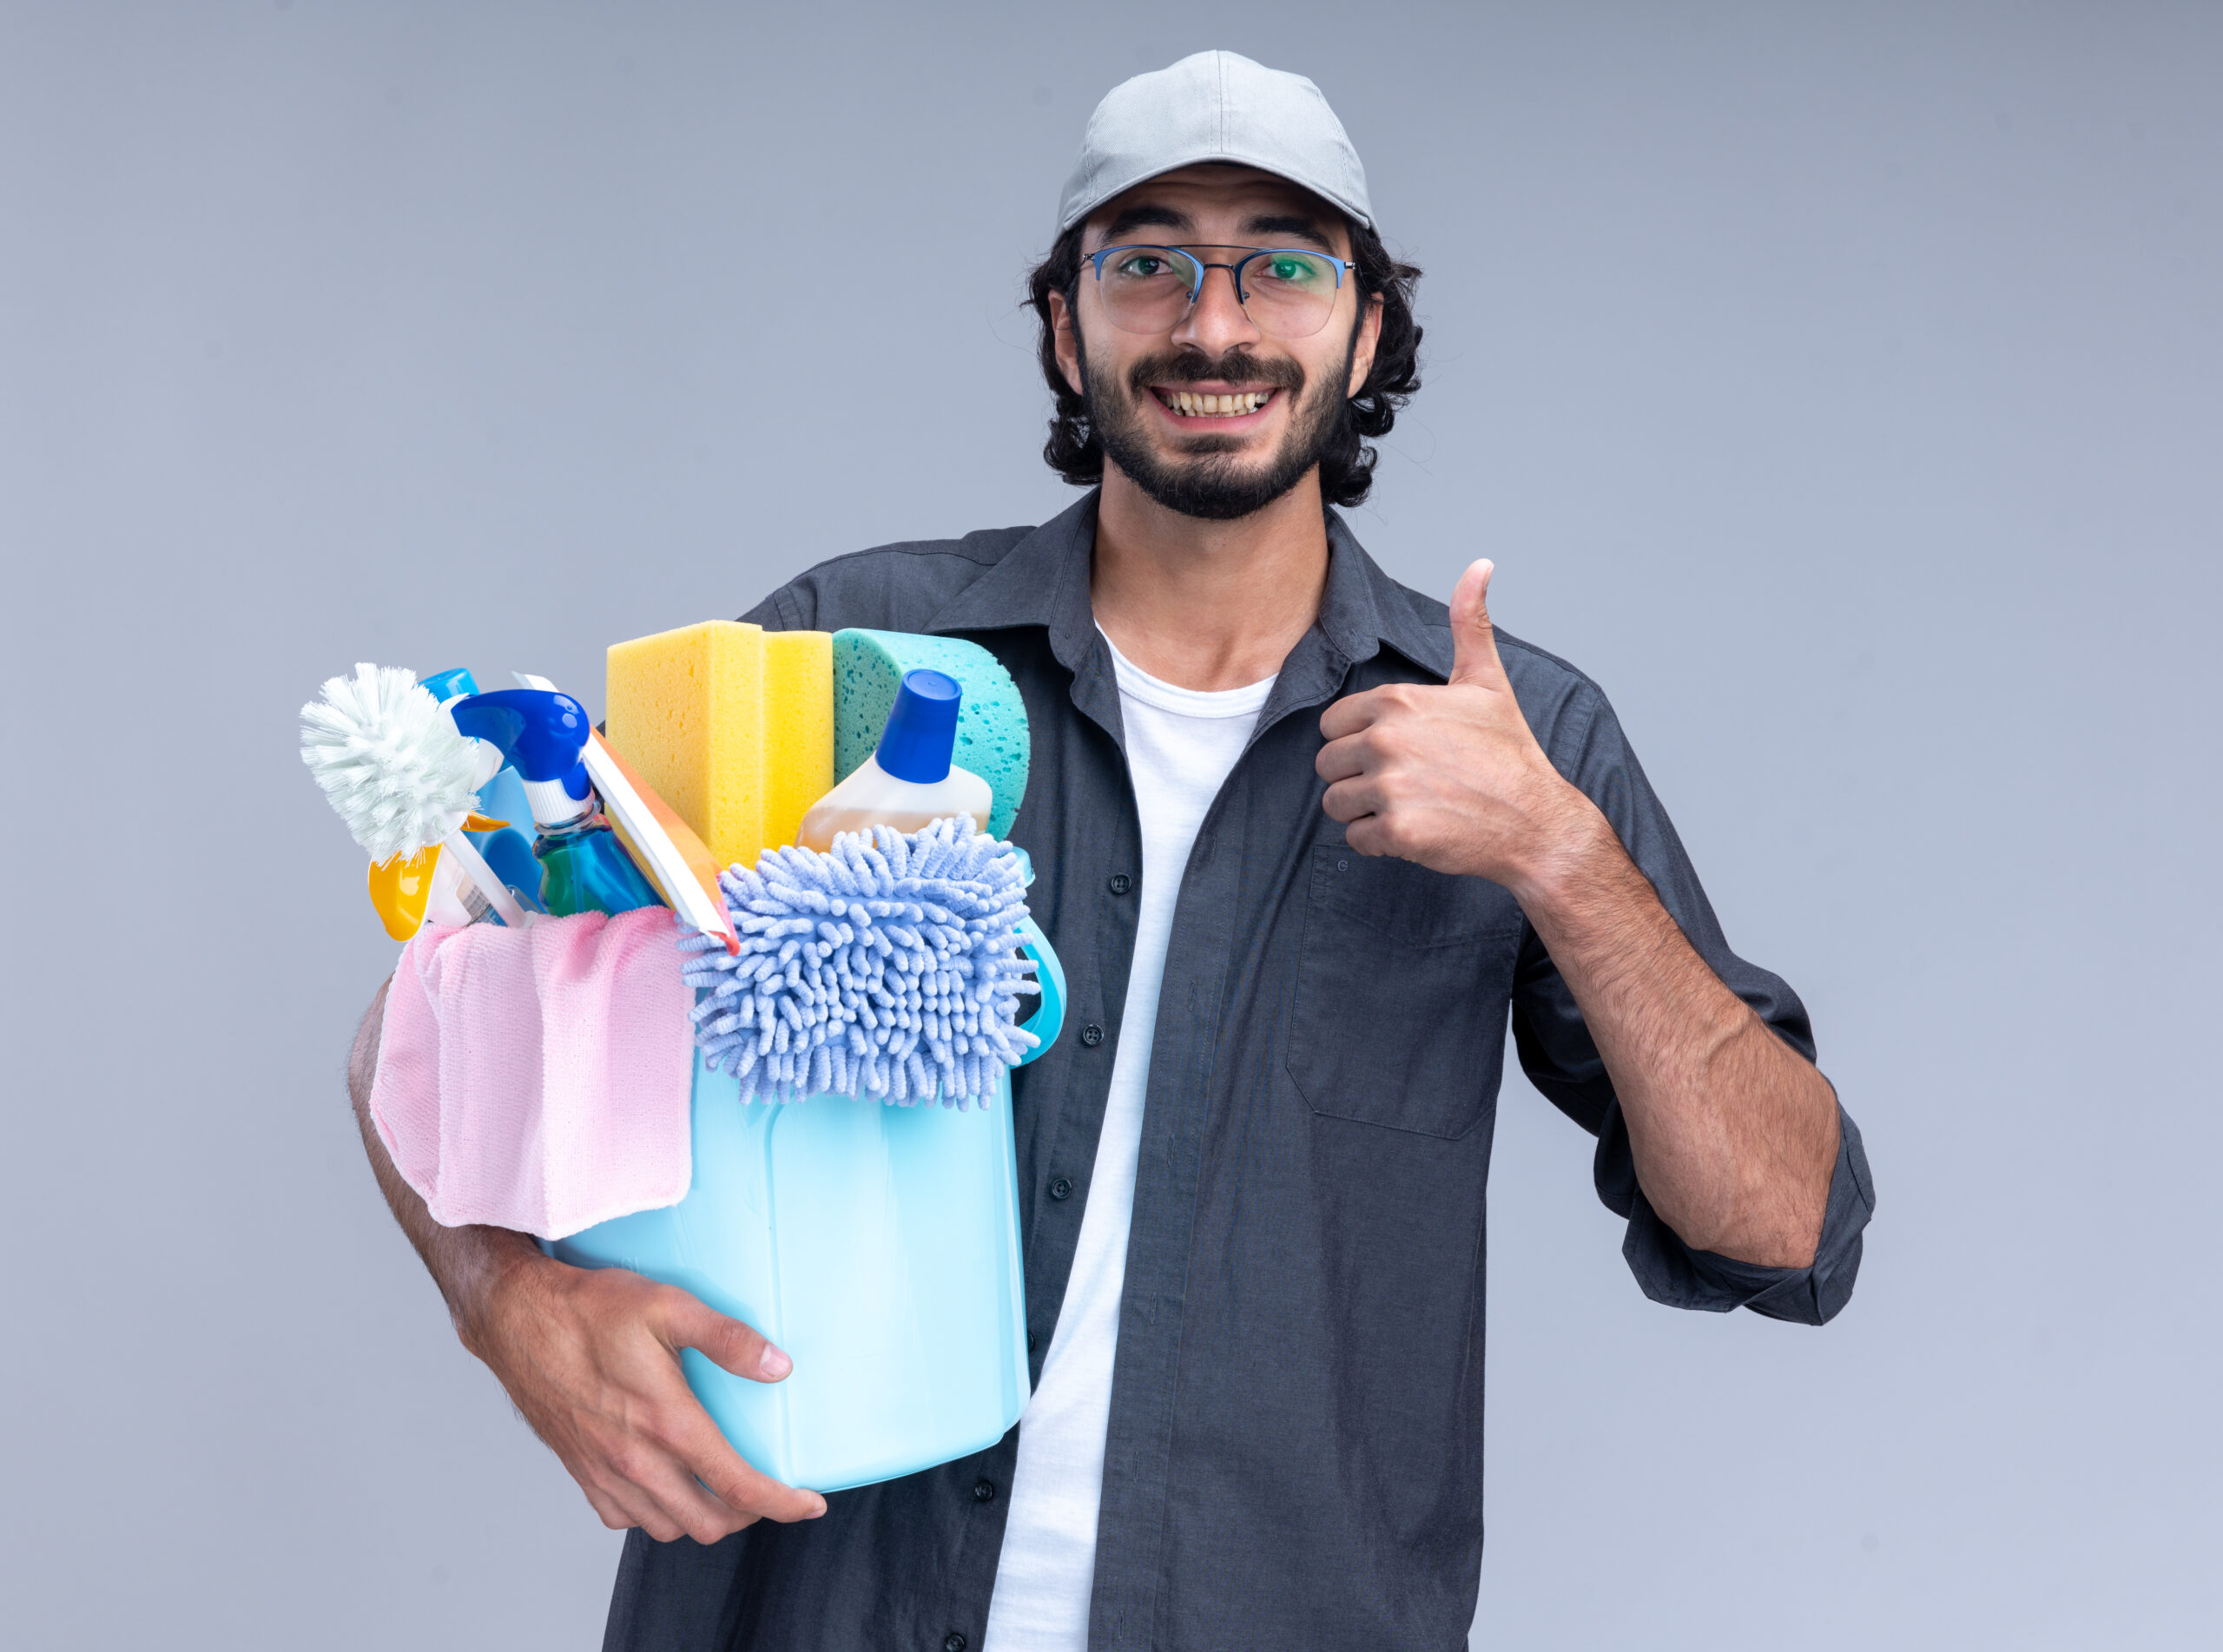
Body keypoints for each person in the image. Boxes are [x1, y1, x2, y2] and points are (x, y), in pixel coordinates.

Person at [348, 49, 1874, 1651]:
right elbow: (430, 1025)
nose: (1213, 326)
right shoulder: (844, 660)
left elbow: (1786, 1226)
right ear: (1066, 330)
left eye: (1282, 265)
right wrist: (505, 1304)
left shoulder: (1518, 740)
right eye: (1146, 263)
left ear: (1366, 329)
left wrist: (1562, 859)